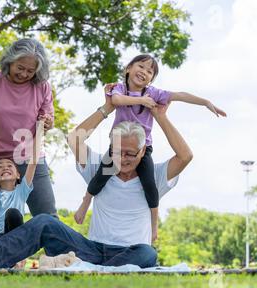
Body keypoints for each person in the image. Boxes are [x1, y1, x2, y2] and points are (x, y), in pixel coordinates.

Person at [0, 84, 193, 269]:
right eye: (117, 152)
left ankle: (93, 271)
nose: (123, 159)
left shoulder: (155, 177)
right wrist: (107, 107)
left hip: (132, 252)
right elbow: (75, 138)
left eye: (130, 153)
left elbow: (185, 156)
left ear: (142, 152)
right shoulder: (100, 169)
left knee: (147, 253)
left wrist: (161, 116)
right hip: (91, 250)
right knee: (43, 222)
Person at [74, 54, 227, 243]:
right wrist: (140, 102)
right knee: (99, 177)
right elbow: (117, 101)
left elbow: (179, 95)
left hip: (144, 146)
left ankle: (154, 225)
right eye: (141, 67)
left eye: (150, 72)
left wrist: (205, 102)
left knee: (150, 185)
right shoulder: (120, 90)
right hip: (116, 143)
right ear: (128, 69)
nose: (145, 72)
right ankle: (85, 202)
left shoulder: (152, 93)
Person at [0, 38, 57, 254]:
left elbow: (48, 118)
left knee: (46, 212)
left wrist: (48, 121)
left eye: (30, 71)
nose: (24, 74)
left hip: (28, 157)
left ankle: (59, 257)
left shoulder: (42, 88)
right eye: (20, 68)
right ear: (9, 61)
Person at [0, 120, 44, 251]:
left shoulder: (21, 191)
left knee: (13, 213)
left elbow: (34, 160)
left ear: (18, 175)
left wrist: (40, 127)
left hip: (11, 242)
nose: (5, 168)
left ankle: (17, 259)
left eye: (9, 166)